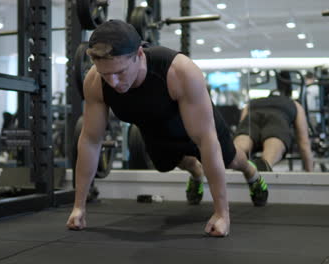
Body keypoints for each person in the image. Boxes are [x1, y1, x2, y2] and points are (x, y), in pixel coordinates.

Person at [66, 20, 268, 237]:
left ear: (140, 55)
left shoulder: (179, 71)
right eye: (106, 74)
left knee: (231, 160)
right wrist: (79, 206)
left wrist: (221, 214)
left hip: (196, 125)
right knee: (165, 164)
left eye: (121, 72)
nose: (113, 82)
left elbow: (206, 140)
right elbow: (90, 140)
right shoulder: (95, 81)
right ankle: (196, 171)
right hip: (154, 128)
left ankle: (251, 171)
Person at [233, 71, 314, 172]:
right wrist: (310, 173)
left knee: (239, 149)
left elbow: (242, 124)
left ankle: (234, 159)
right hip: (277, 118)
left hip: (253, 115)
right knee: (268, 156)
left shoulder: (251, 103)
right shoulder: (294, 104)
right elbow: (304, 143)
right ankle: (265, 163)